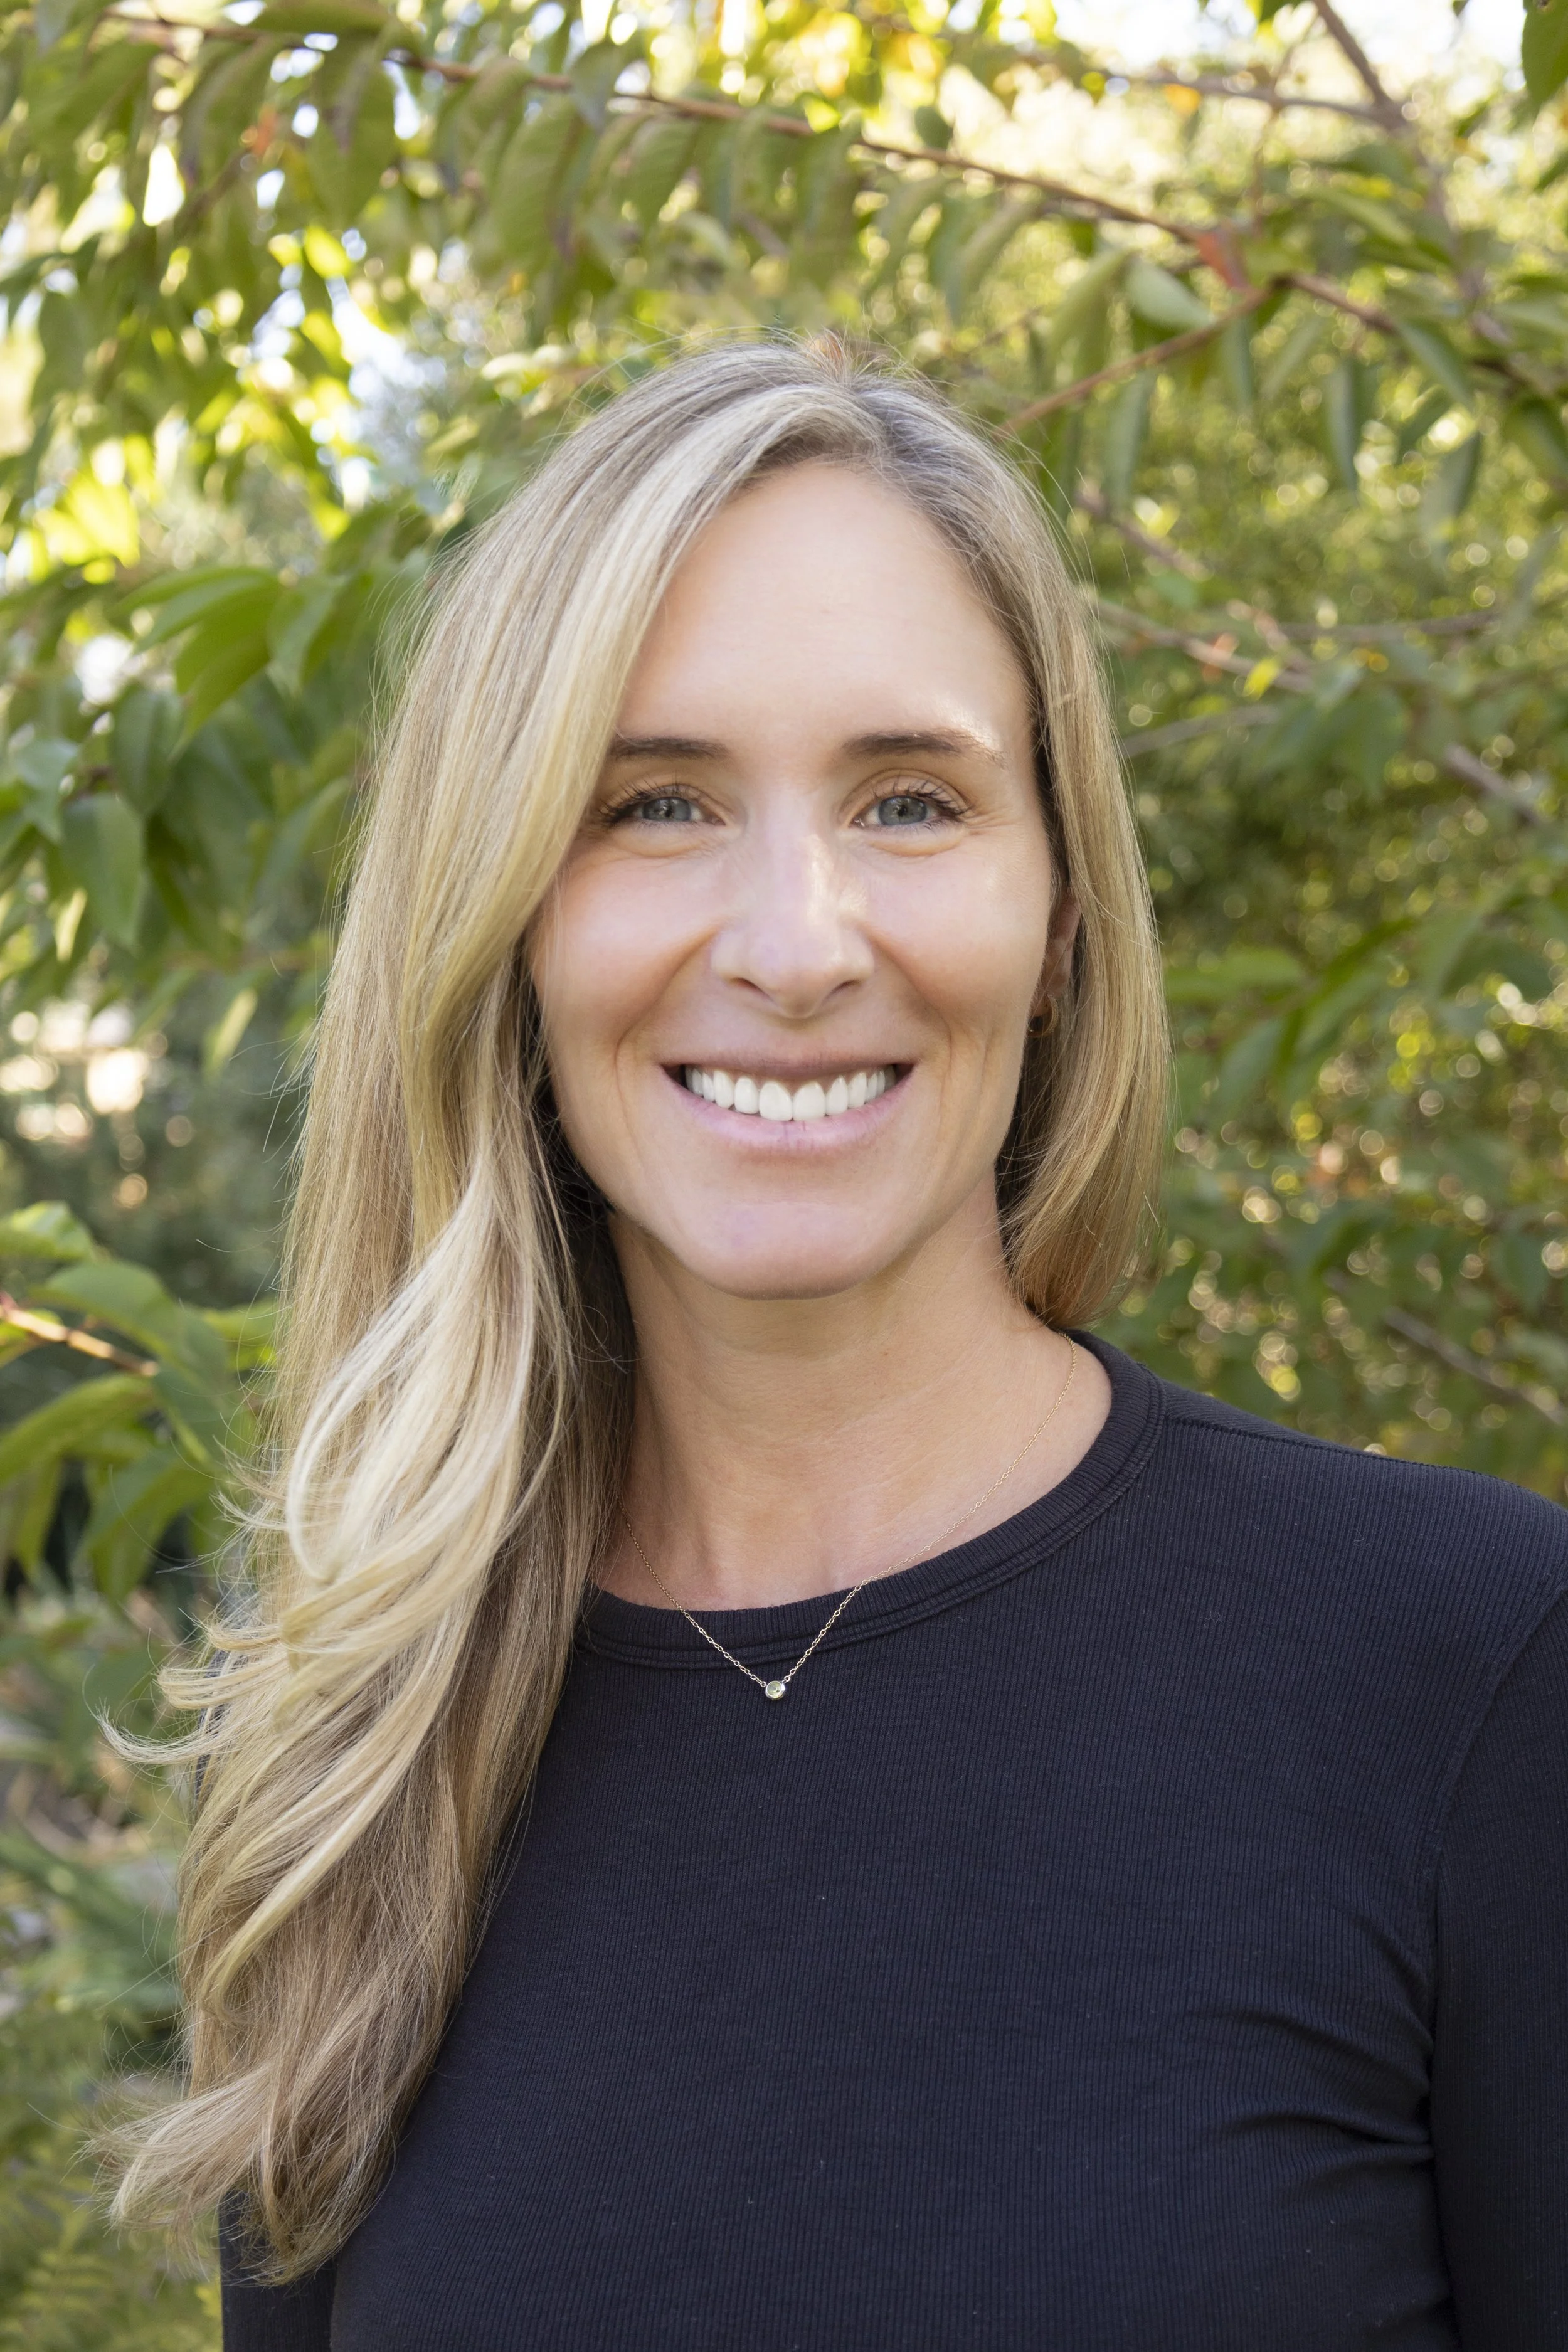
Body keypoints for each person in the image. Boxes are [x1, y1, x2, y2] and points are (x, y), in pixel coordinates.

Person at [116, 340, 1567, 2350]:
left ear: (1059, 907)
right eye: (654, 803)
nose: (795, 942)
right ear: (504, 919)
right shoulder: (365, 1755)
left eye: (907, 798)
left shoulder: (1475, 1670)